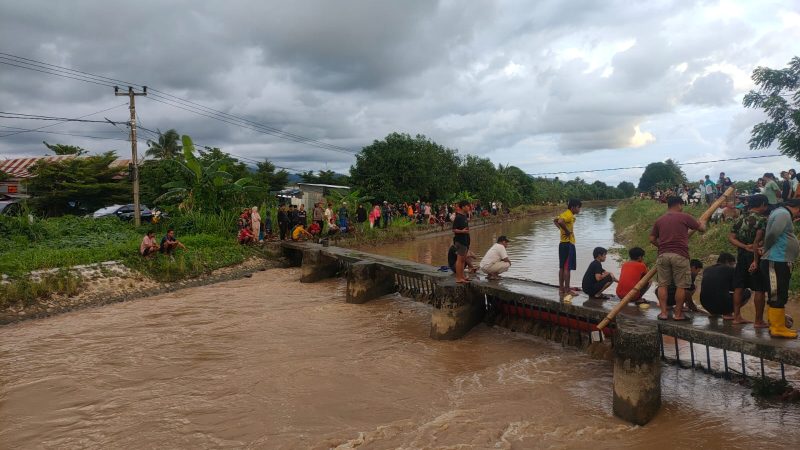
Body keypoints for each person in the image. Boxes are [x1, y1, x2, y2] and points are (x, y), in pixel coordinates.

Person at [649, 196, 706, 321]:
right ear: (679, 204)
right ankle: (678, 314)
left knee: (663, 285)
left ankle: (663, 313)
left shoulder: (660, 220)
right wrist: (703, 223)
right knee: (681, 286)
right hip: (680, 255)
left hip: (663, 255)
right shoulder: (685, 216)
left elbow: (652, 239)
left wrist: (662, 246)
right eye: (682, 205)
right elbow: (701, 229)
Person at [760, 198, 800, 338]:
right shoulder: (783, 213)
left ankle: (778, 325)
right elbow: (772, 234)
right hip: (776, 260)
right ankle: (777, 328)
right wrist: (766, 248)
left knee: (779, 293)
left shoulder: (780, 213)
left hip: (780, 261)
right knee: (777, 294)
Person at [728, 194, 769, 326]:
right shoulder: (763, 220)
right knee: (760, 288)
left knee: (739, 286)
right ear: (762, 204)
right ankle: (758, 320)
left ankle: (737, 317)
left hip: (741, 255)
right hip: (756, 256)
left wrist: (745, 246)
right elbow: (765, 239)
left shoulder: (739, 218)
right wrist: (753, 246)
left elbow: (731, 238)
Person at [554, 198, 582, 295]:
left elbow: (555, 220)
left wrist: (561, 230)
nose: (579, 210)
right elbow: (560, 221)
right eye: (578, 207)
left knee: (562, 267)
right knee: (567, 268)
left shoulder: (565, 213)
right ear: (573, 207)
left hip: (562, 244)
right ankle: (567, 290)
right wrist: (566, 231)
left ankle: (561, 289)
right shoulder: (569, 215)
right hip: (568, 244)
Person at [452, 200, 472, 283]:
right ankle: (458, 278)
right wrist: (462, 232)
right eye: (467, 206)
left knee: (463, 260)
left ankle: (462, 276)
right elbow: (454, 230)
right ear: (463, 207)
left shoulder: (464, 216)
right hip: (460, 241)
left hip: (465, 240)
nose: (469, 208)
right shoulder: (458, 217)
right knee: (459, 260)